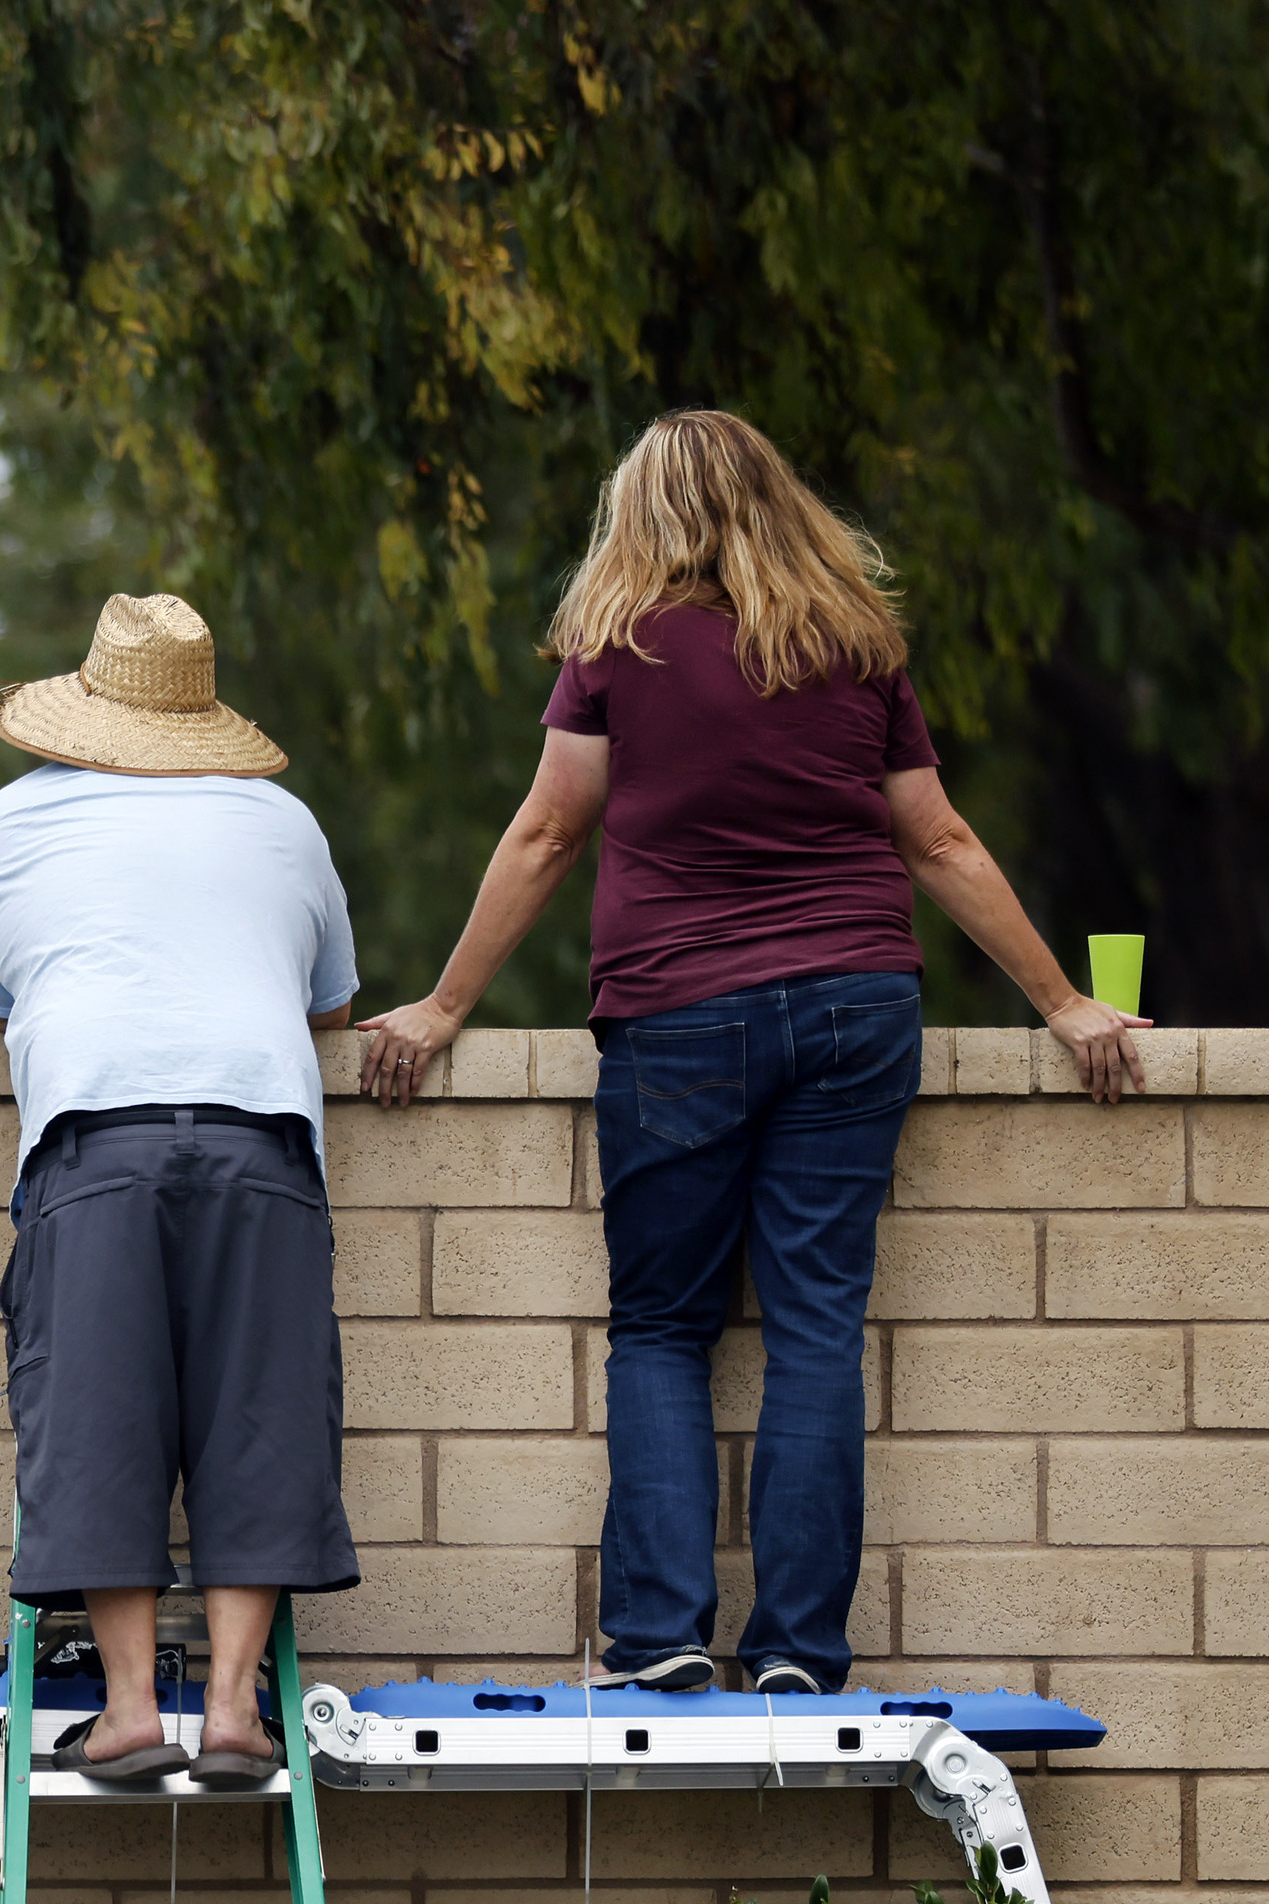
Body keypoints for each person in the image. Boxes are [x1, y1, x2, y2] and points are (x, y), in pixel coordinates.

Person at [358, 408, 1151, 1696]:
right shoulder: (855, 644)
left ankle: (662, 1634)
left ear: (644, 515)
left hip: (677, 1016)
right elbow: (938, 839)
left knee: (662, 1326)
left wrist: (445, 1007)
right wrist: (1062, 1001)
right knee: (816, 1328)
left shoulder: (613, 647)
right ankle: (795, 1650)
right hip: (854, 1008)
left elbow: (550, 832)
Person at [0, 593, 361, 1785]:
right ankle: (234, 1709)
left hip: (94, 1132)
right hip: (259, 1131)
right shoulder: (284, 822)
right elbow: (328, 1000)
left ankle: (130, 1709)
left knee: (95, 1415)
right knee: (262, 1412)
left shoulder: (15, 818)